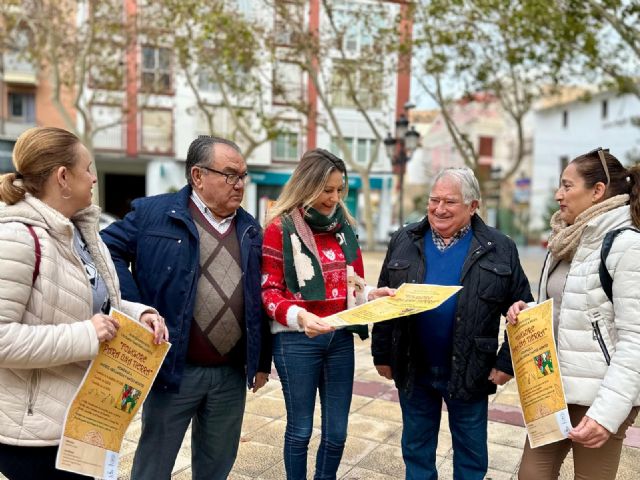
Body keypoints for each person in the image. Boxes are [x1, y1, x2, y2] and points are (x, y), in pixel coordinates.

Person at [101, 135, 271, 480]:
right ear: (197, 175)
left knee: (216, 465)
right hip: (173, 369)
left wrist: (261, 361)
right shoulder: (154, 214)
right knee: (154, 464)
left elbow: (260, 299)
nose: (239, 184)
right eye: (229, 175)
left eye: (243, 176)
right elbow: (106, 250)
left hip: (230, 374)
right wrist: (136, 306)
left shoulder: (251, 229)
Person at [0, 127, 166, 480]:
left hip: (85, 421)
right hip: (35, 437)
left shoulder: (82, 233)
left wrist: (140, 314)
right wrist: (86, 336)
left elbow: (94, 305)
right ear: (63, 177)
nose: (93, 178)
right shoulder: (16, 237)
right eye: (88, 168)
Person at [372, 167, 533, 480]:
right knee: (416, 451)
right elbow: (384, 302)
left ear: (473, 206)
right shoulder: (404, 240)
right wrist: (382, 354)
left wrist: (506, 363)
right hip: (413, 368)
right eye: (434, 200)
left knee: (471, 457)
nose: (439, 209)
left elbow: (524, 310)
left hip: (471, 371)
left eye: (450, 202)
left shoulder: (500, 248)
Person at [506, 149, 640, 480]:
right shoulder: (568, 240)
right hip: (553, 387)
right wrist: (531, 312)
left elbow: (635, 339)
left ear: (597, 191)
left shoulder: (627, 246)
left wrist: (606, 415)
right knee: (531, 476)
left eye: (567, 186)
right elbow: (572, 305)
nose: (558, 195)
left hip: (599, 393)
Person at [261, 148, 394, 480]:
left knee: (337, 433)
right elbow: (268, 292)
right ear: (307, 185)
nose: (334, 198)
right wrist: (301, 317)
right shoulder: (280, 228)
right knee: (301, 430)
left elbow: (354, 284)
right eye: (327, 189)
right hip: (296, 341)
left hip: (338, 338)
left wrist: (370, 294)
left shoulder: (344, 227)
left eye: (339, 190)